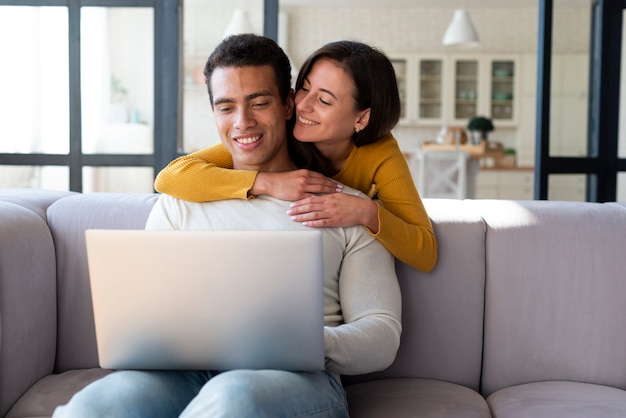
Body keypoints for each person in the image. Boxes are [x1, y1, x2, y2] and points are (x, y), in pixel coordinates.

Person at [53, 34, 401, 418]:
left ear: (288, 105)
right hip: (182, 373)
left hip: (297, 377)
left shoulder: (347, 209)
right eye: (226, 107)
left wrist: (307, 342)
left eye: (259, 102)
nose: (242, 122)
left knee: (233, 397)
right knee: (93, 407)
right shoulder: (181, 202)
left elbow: (382, 333)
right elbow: (149, 312)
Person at [154, 40, 438, 273]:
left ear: (362, 118)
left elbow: (425, 251)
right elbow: (171, 176)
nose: (303, 105)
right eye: (305, 88)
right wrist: (267, 182)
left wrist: (365, 211)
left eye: (324, 100)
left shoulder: (380, 153)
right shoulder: (279, 130)